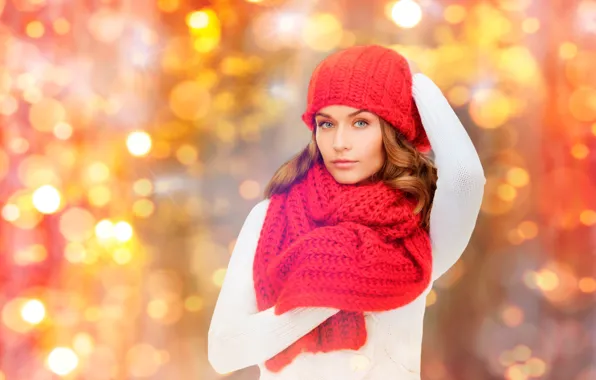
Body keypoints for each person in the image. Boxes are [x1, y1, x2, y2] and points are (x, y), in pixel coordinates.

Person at [207, 45, 486, 380]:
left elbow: (467, 176)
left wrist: (413, 84)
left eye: (360, 122)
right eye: (327, 124)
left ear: (392, 130)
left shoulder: (419, 225)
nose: (340, 142)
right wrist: (332, 286)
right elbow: (223, 352)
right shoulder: (268, 217)